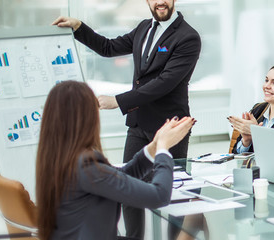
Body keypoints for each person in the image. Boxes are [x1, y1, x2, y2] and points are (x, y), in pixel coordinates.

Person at [52, 0, 201, 237]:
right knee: (128, 189)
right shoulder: (143, 28)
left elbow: (164, 83)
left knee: (174, 196)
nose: (160, 1)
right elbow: (108, 47)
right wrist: (80, 26)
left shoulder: (188, 37)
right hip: (138, 124)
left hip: (168, 128)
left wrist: (118, 101)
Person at [35, 81, 195, 240]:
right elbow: (159, 196)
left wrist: (153, 146)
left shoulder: (61, 160)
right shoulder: (86, 167)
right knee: (189, 228)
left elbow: (120, 177)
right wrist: (163, 149)